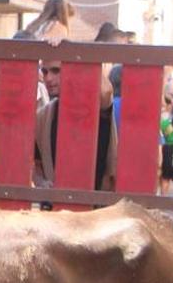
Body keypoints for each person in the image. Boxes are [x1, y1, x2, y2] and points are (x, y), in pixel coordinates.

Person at [34, 61, 117, 191]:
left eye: (56, 71)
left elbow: (106, 91)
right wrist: (42, 182)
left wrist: (73, 52)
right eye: (44, 72)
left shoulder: (97, 106)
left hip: (97, 203)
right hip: (57, 204)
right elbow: (37, 164)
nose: (48, 78)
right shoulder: (43, 116)